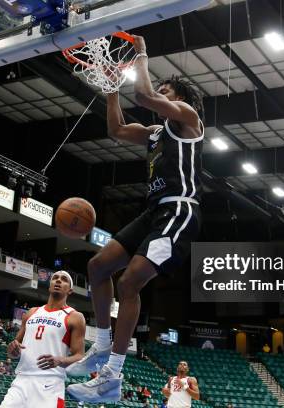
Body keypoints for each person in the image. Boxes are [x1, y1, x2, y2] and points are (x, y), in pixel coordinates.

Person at [66, 34, 204, 402]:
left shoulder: (189, 120)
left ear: (182, 100)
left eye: (166, 90)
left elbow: (143, 96)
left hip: (180, 209)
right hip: (153, 210)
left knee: (129, 283)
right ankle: (102, 344)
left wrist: (141, 54)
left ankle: (112, 375)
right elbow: (115, 130)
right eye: (159, 88)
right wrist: (112, 88)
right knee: (97, 267)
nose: (159, 93)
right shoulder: (156, 133)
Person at [0, 271, 86, 408]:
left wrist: (60, 360)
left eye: (63, 280)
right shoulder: (31, 313)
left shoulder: (75, 317)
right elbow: (13, 351)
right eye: (55, 278)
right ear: (49, 285)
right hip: (22, 380)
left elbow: (80, 355)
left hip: (50, 384)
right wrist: (12, 350)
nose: (58, 281)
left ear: (70, 290)